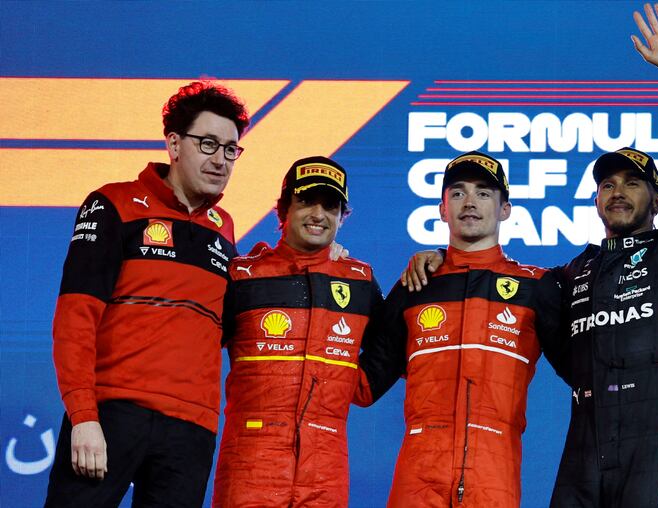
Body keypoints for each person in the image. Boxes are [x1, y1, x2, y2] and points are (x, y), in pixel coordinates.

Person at [404, 4, 658, 507]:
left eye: (633, 182)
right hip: (584, 449)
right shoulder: (568, 275)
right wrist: (434, 257)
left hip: (652, 446)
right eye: (606, 183)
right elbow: (494, 279)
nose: (617, 191)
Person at [45, 81, 250, 507]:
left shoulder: (225, 230)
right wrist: (84, 417)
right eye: (208, 143)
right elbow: (75, 319)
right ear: (174, 144)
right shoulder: (112, 204)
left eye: (231, 149)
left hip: (192, 429)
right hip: (112, 414)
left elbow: (230, 328)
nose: (220, 160)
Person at [360, 151, 563, 506]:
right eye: (457, 193)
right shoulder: (415, 284)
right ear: (441, 209)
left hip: (494, 473)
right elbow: (363, 386)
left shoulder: (537, 287)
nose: (469, 202)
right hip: (419, 476)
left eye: (483, 193)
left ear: (505, 209)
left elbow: (589, 360)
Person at [212, 156, 383, 507]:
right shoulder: (243, 276)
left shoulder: (359, 281)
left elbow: (394, 344)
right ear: (282, 209)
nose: (318, 214)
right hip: (250, 465)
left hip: (326, 471)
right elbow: (196, 351)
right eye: (306, 201)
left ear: (343, 216)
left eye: (330, 206)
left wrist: (356, 382)